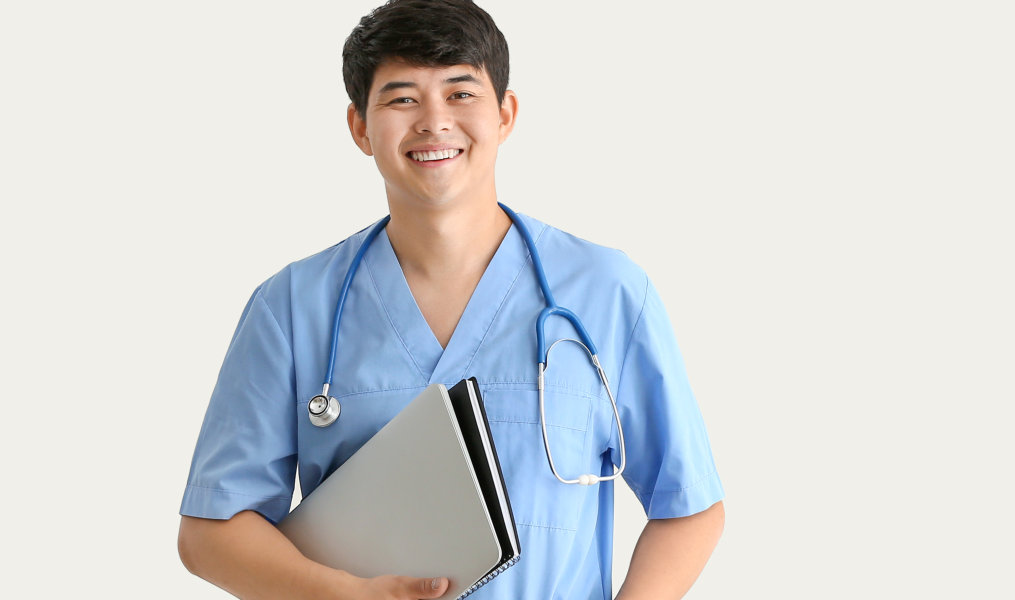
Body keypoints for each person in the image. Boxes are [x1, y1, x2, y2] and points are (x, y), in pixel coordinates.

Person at [175, 1, 724, 597]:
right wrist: (347, 597)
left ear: (506, 113)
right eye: (403, 98)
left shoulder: (607, 292)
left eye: (461, 93)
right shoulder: (291, 307)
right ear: (359, 126)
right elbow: (211, 530)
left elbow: (689, 506)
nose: (434, 122)